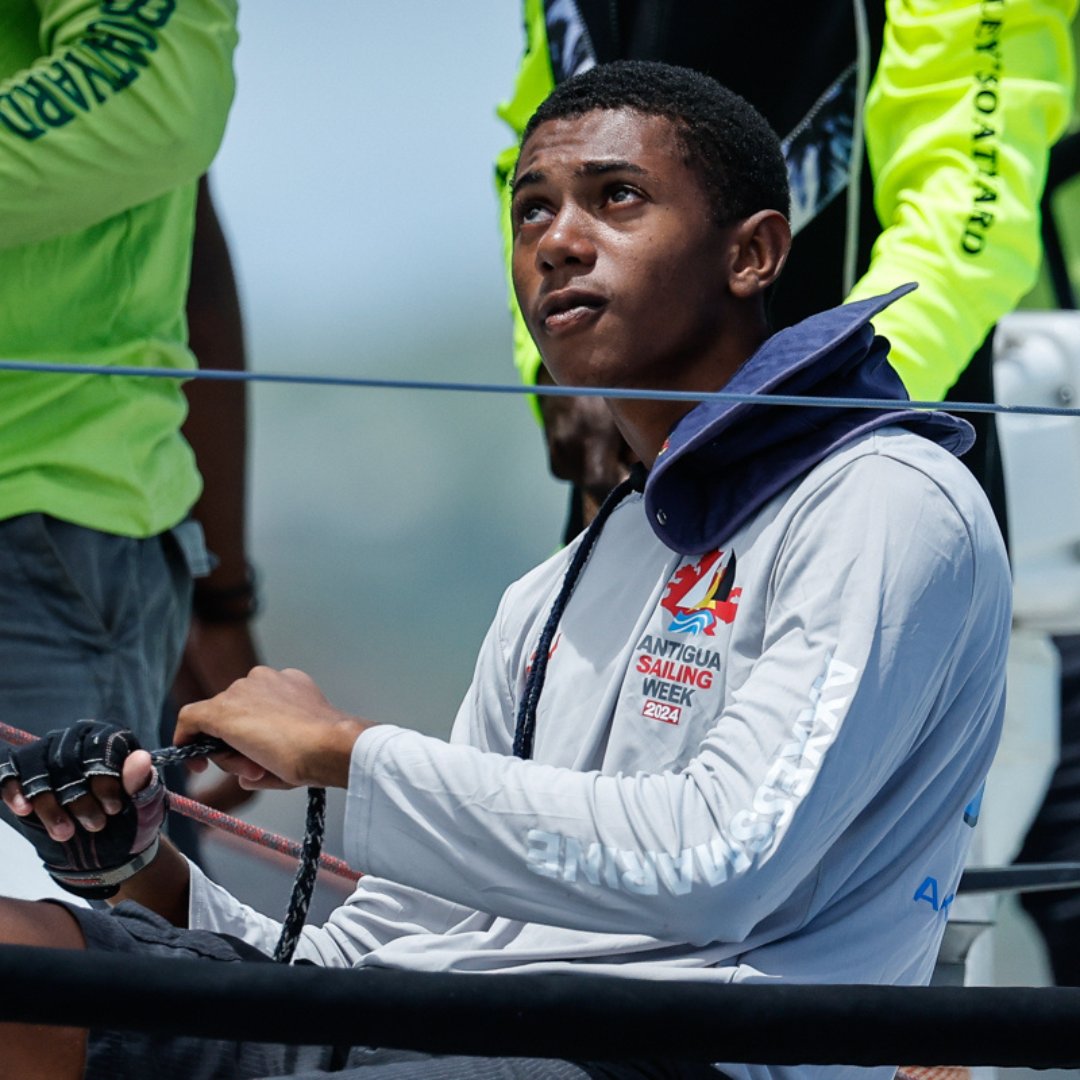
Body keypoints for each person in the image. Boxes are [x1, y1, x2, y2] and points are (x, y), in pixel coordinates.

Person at [0, 62, 1011, 1080]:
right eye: (533, 210)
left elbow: (720, 861)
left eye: (617, 198)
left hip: (672, 1057)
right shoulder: (555, 588)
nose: (557, 241)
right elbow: (365, 957)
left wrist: (349, 751)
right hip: (444, 1035)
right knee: (24, 957)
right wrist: (140, 871)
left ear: (752, 254)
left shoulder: (885, 502)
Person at [495, 0, 1077, 539]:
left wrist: (809, 425)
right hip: (638, 473)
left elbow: (968, 213)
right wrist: (560, 383)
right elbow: (532, 154)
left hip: (869, 456)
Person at [0, 2, 256, 818]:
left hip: (40, 523)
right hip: (53, 541)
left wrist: (221, 595)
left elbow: (153, 97)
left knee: (69, 923)